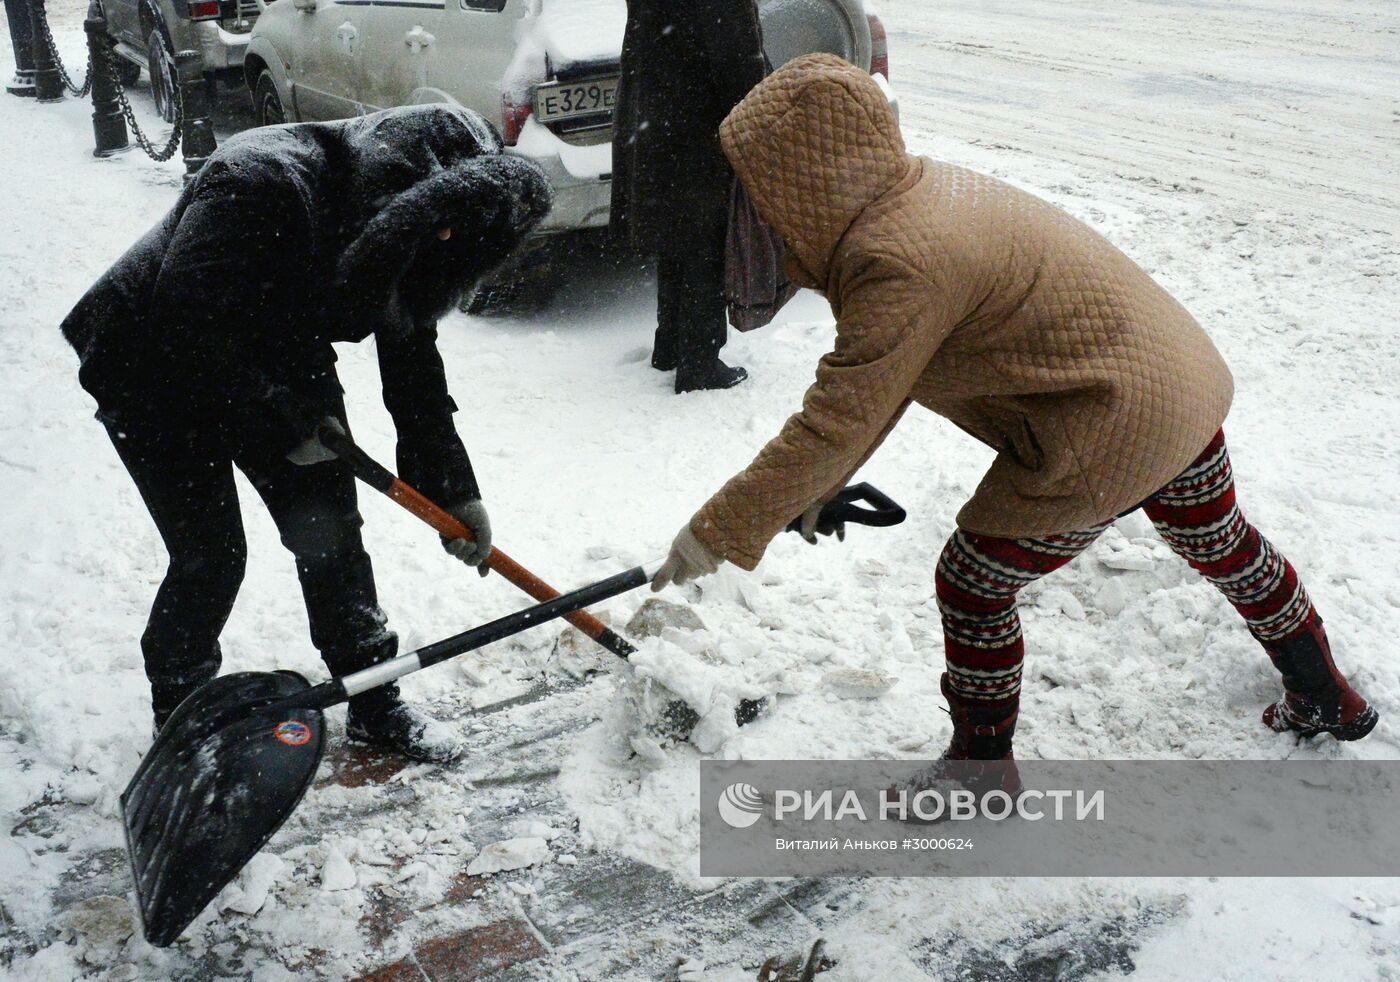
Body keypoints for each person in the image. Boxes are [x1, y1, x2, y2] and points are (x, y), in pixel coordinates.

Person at [651, 55, 1377, 771]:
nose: (756, 208)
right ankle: (1324, 693)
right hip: (1171, 381)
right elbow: (881, 388)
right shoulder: (920, 198)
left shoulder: (894, 264)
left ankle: (981, 770)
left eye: (762, 186)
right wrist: (809, 491)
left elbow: (838, 416)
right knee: (1222, 541)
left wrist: (719, 529)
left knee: (972, 585)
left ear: (803, 182)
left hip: (1112, 420)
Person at [61, 105, 552, 762]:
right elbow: (186, 320)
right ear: (401, 198)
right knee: (211, 553)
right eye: (433, 229)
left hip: (276, 345)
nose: (439, 243)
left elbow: (413, 370)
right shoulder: (259, 178)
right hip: (145, 357)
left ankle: (376, 702)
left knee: (330, 530)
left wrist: (454, 493)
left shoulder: (413, 234)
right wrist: (283, 419)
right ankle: (179, 721)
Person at [611, 0, 766, 392]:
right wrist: (756, 116)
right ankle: (699, 361)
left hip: (657, 117)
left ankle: (671, 345)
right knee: (706, 242)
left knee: (676, 237)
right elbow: (737, 60)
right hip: (697, 126)